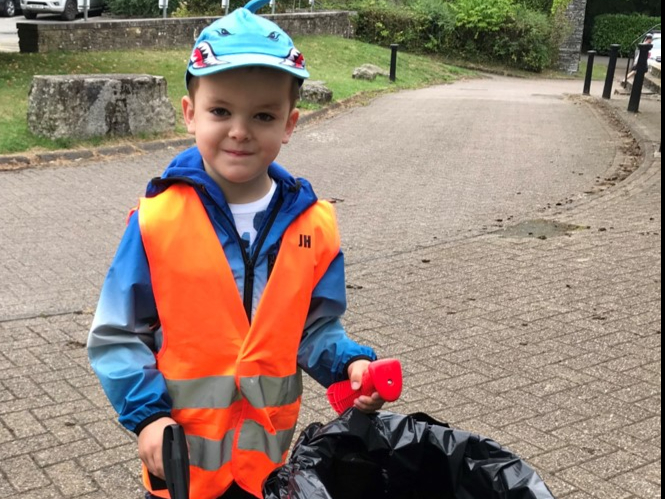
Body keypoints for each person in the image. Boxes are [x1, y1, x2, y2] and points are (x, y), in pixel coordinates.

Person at [86, 1, 386, 498]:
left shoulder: (315, 227)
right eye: (220, 111)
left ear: (289, 123)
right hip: (180, 468)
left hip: (267, 469)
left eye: (263, 115)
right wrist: (147, 419)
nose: (240, 131)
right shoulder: (155, 221)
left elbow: (312, 328)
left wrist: (349, 367)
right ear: (190, 114)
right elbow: (118, 334)